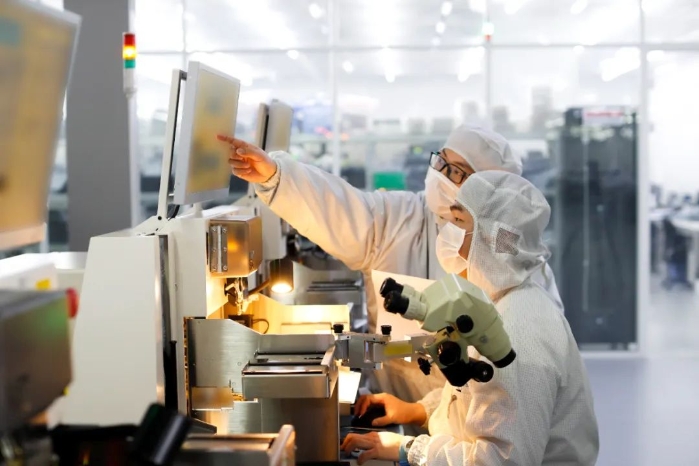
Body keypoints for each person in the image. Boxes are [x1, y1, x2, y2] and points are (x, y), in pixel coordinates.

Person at [218, 125, 562, 404]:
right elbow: (339, 208)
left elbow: (524, 369)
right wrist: (276, 175)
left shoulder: (511, 258)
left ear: (490, 190)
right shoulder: (402, 218)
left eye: (456, 172)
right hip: (402, 405)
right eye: (440, 163)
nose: (440, 176)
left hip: (478, 414)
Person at [341, 171, 599, 465]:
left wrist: (410, 448)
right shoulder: (500, 301)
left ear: (492, 239)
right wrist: (416, 410)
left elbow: (501, 460)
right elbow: (477, 398)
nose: (447, 233)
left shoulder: (516, 333)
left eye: (458, 222)